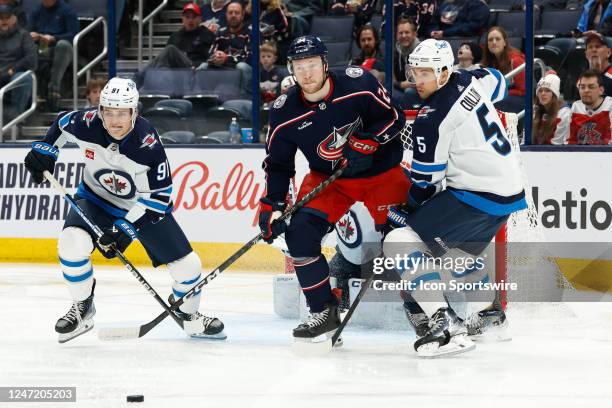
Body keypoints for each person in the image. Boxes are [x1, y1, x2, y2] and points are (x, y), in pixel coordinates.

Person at [23, 77, 226, 343]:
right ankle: (83, 308)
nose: (115, 120)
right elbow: (61, 123)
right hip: (96, 199)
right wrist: (47, 150)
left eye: (122, 113)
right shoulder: (86, 124)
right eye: (109, 112)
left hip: (142, 208)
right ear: (100, 111)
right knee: (71, 241)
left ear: (134, 112)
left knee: (189, 266)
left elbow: (160, 197)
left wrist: (126, 229)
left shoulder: (147, 145)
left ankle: (188, 316)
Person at [259, 35, 410, 343]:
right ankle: (324, 311)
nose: (307, 73)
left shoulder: (359, 83)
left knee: (402, 239)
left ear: (325, 63)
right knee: (300, 232)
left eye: (312, 65)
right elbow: (278, 164)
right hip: (330, 179)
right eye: (299, 67)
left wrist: (371, 140)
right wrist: (272, 203)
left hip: (381, 173)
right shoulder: (284, 110)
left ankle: (423, 310)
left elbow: (395, 118)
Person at [383, 39, 526, 357]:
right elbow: (499, 81)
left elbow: (425, 184)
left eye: (425, 73)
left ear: (444, 71)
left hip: (476, 194)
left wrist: (407, 210)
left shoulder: (431, 118)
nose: (417, 81)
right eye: (414, 72)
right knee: (453, 252)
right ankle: (488, 314)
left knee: (398, 241)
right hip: (509, 193)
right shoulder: (471, 77)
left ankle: (445, 323)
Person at [135, 3, 215, 87]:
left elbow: (211, 57)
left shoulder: (207, 34)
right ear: (182, 19)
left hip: (195, 70)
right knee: (162, 66)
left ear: (200, 19)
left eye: (194, 17)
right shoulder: (175, 37)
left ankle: (139, 78)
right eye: (187, 17)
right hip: (177, 73)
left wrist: (199, 65)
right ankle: (158, 91)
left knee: (170, 50)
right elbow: (165, 60)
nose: (190, 20)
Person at [28, 0, 78, 111]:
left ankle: (53, 89)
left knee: (63, 45)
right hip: (42, 45)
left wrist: (54, 38)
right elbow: (28, 31)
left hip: (62, 46)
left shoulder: (67, 10)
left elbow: (73, 34)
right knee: (29, 48)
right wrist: (32, 35)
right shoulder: (36, 11)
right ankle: (33, 93)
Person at [198, 1, 252, 94]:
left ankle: (245, 96)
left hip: (239, 67)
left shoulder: (249, 33)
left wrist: (227, 58)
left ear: (242, 16)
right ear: (226, 15)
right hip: (223, 67)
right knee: (203, 67)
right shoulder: (221, 32)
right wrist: (215, 57)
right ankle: (206, 98)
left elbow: (249, 57)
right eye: (230, 13)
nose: (233, 15)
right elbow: (210, 53)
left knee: (242, 66)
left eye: (236, 13)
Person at [0, 4, 36, 121]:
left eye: (7, 18)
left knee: (23, 78)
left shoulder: (24, 35)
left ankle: (15, 121)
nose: (4, 21)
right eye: (1, 18)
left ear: (14, 19)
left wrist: (12, 70)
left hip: (15, 73)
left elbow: (31, 59)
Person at [480, 26, 525, 113]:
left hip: (521, 99)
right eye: (490, 40)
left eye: (497, 39)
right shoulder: (488, 63)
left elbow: (523, 90)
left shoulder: (516, 60)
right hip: (501, 97)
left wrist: (500, 94)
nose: (494, 42)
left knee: (492, 103)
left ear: (504, 42)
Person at [564, 69, 612, 144]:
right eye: (582, 87)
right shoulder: (576, 106)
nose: (586, 90)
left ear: (601, 90)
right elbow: (569, 141)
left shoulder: (610, 106)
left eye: (591, 87)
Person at [532, 72, 570, 145]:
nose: (543, 94)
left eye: (547, 90)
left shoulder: (564, 113)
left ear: (554, 94)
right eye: (540, 91)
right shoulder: (534, 110)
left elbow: (557, 144)